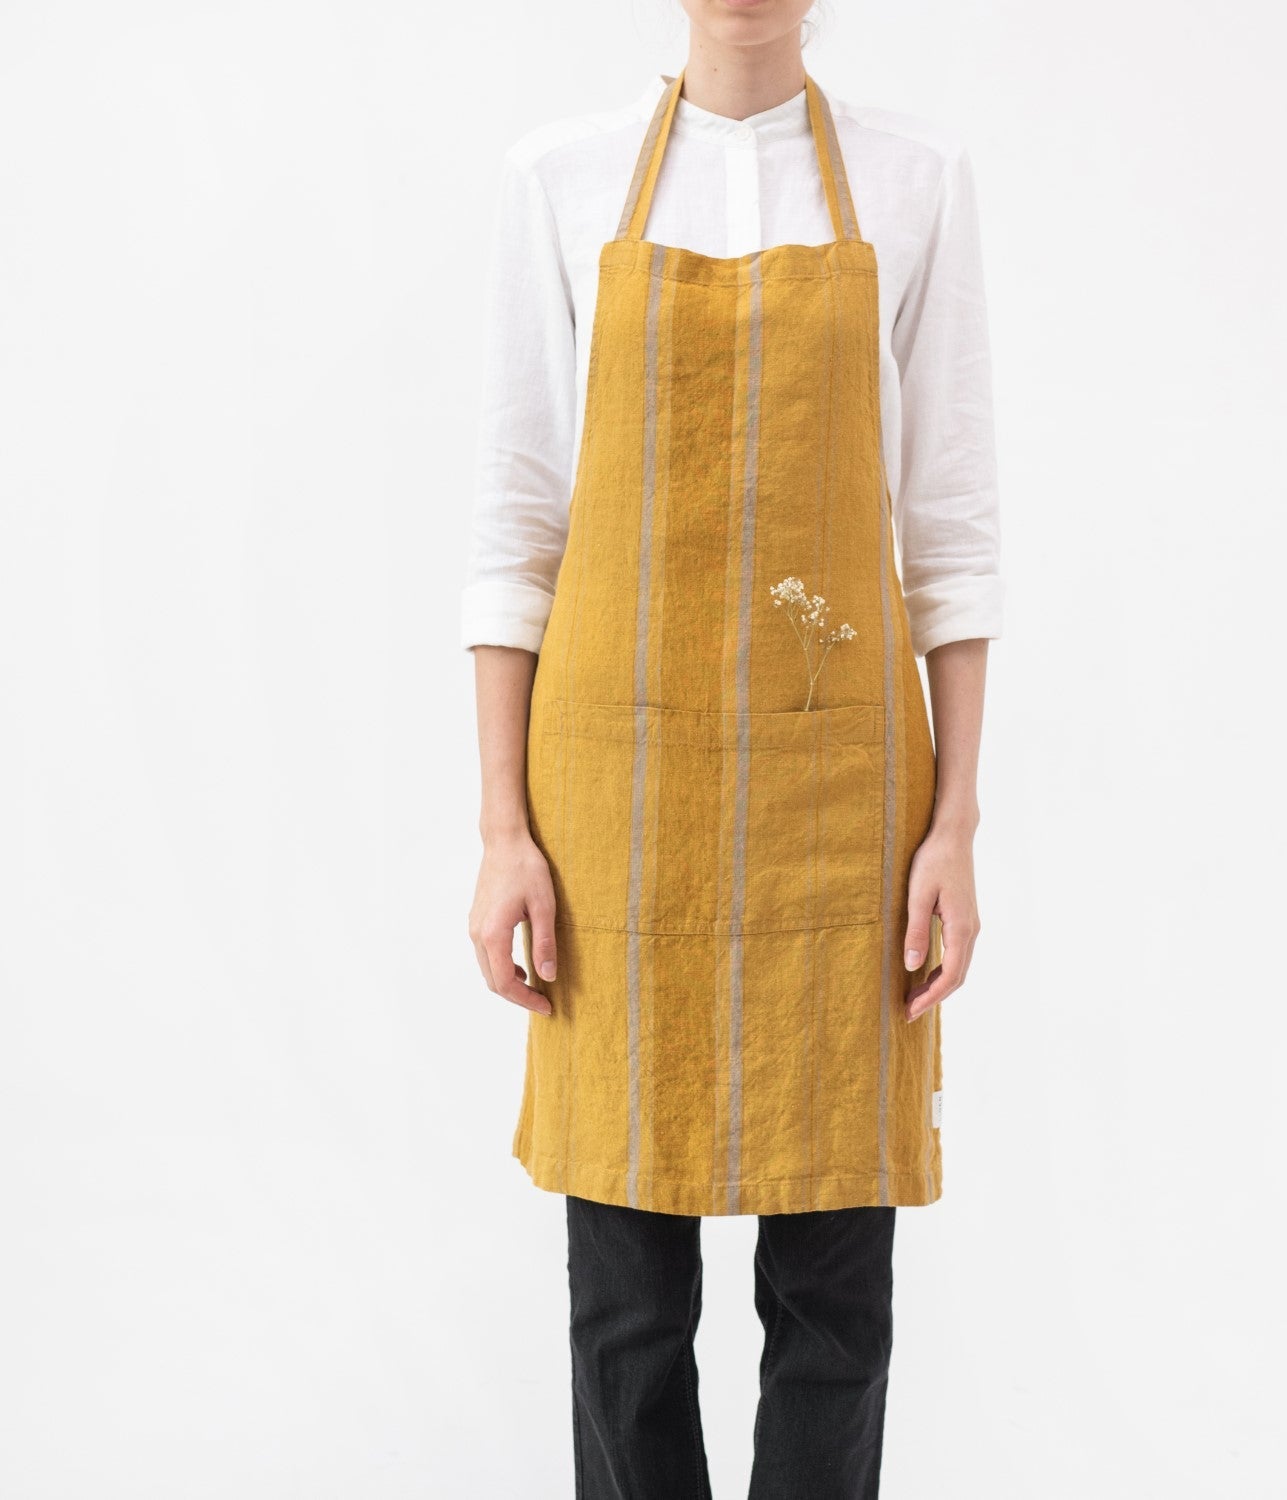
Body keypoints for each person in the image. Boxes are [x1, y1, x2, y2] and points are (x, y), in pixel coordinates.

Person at [462, 2, 1003, 1492]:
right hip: (612, 798)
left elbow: (950, 537)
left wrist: (956, 823)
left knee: (835, 1303)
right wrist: (504, 831)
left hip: (845, 804)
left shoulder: (918, 180)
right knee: (627, 1313)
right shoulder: (557, 178)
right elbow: (516, 533)